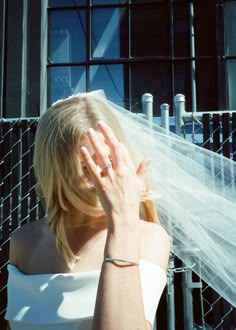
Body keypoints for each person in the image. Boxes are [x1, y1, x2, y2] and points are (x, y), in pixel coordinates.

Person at [5, 92, 170, 330]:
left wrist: (122, 222)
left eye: (108, 162)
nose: (100, 178)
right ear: (55, 169)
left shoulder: (148, 238)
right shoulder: (24, 241)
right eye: (85, 166)